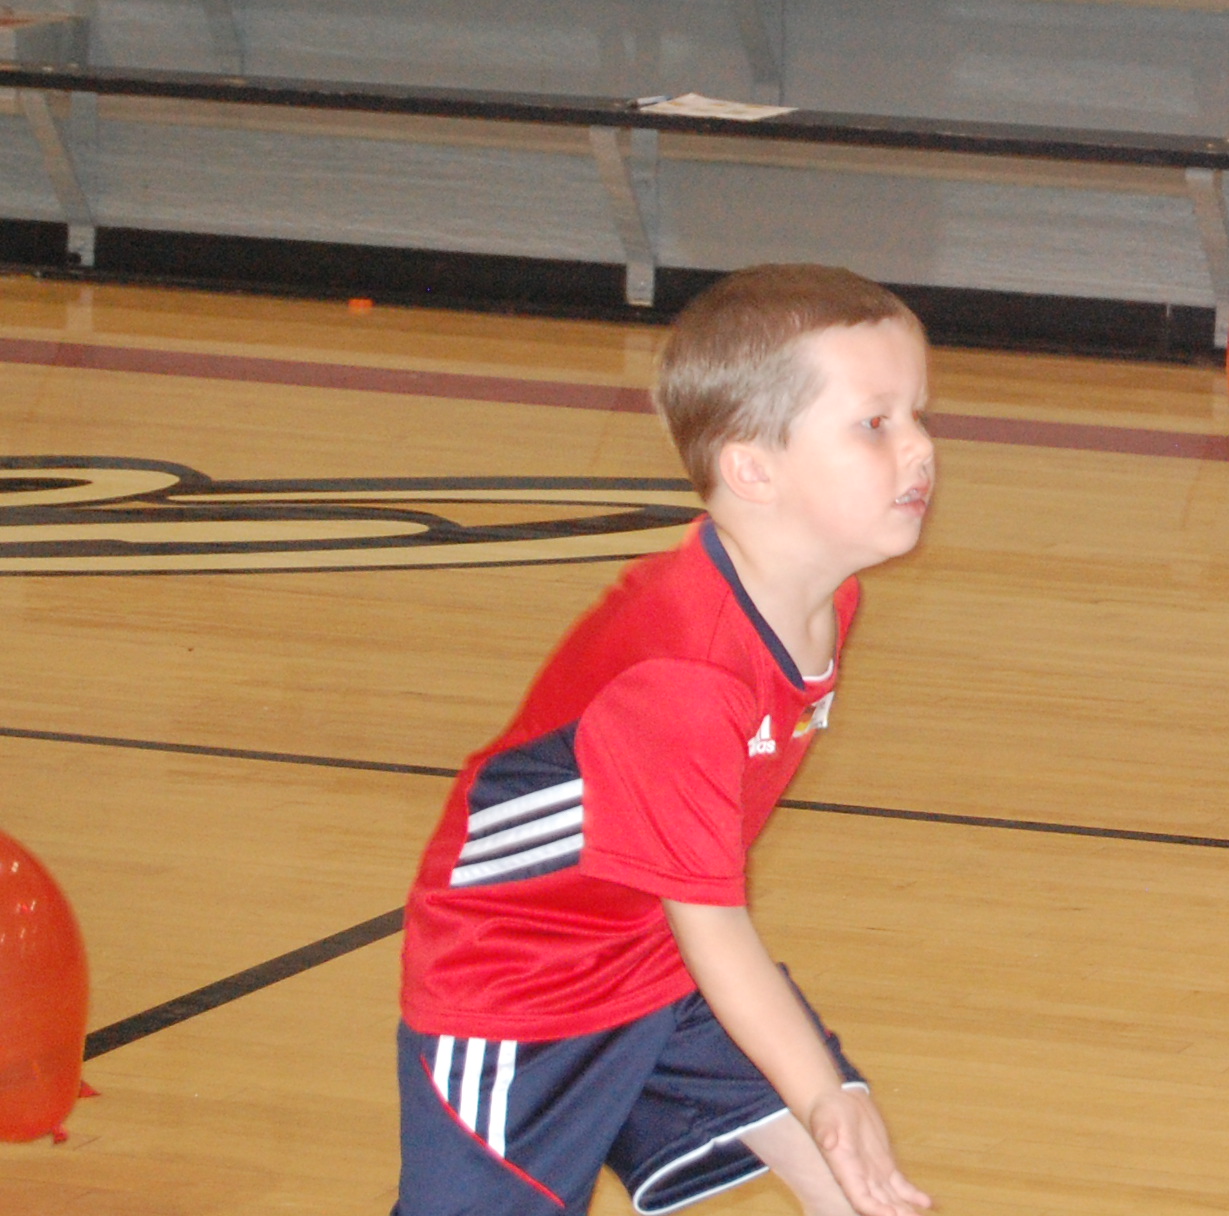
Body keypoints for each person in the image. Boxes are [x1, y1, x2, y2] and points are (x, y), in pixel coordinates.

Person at [392, 264, 938, 1216]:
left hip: (656, 954)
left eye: (919, 415)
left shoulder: (822, 595)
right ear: (752, 468)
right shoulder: (685, 676)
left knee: (860, 1187)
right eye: (874, 424)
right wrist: (822, 1094)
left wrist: (831, 1101)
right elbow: (714, 918)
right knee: (833, 1117)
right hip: (523, 985)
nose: (920, 449)